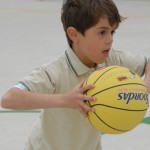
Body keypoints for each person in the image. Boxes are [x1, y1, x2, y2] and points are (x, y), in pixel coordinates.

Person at [1, 0, 150, 150]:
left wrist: (145, 86)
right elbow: (9, 99)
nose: (110, 39)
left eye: (112, 32)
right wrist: (65, 100)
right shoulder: (55, 71)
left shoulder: (112, 61)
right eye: (102, 32)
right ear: (74, 34)